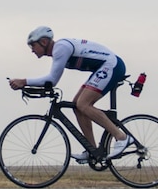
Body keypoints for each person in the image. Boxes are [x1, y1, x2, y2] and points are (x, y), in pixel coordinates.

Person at [9, 26, 131, 162]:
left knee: (83, 104)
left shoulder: (60, 49)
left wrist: (24, 81)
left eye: (33, 45)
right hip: (104, 67)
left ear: (43, 42)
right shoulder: (58, 50)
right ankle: (92, 150)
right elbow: (50, 81)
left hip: (112, 65)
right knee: (77, 107)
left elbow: (52, 80)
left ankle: (121, 137)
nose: (32, 50)